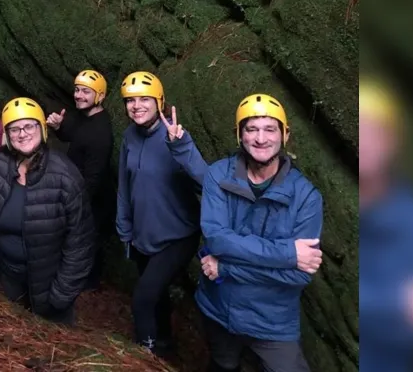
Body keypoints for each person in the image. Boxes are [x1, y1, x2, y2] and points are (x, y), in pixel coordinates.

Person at [196, 94, 323, 372]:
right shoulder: (219, 175)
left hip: (272, 321)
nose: (260, 138)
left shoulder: (306, 197)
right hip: (219, 310)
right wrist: (288, 254)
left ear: (285, 135)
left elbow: (299, 273)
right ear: (239, 135)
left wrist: (227, 267)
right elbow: (216, 239)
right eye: (251, 129)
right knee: (222, 364)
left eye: (270, 129)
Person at [0, 97, 95, 325]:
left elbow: (80, 242)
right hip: (7, 278)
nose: (22, 134)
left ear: (42, 128)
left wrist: (62, 293)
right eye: (14, 129)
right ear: (7, 135)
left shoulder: (66, 176)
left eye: (29, 126)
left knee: (52, 348)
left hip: (50, 284)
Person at [115, 71, 209, 358]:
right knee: (157, 297)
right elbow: (123, 183)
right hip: (144, 234)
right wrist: (124, 227)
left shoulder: (176, 137)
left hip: (177, 235)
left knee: (143, 298)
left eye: (145, 99)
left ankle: (144, 356)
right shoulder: (129, 136)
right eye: (131, 100)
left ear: (160, 102)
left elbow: (206, 183)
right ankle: (166, 346)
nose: (137, 105)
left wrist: (181, 146)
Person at [358, 78, 413, 372]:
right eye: (360, 131)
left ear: (392, 141)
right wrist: (397, 302)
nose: (366, 142)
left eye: (375, 133)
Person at [45, 70, 115, 290]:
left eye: (86, 91)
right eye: (77, 90)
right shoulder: (85, 118)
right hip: (81, 191)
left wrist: (75, 204)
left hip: (94, 199)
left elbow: (93, 176)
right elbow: (74, 136)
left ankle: (88, 284)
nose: (78, 95)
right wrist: (59, 127)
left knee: (87, 241)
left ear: (100, 96)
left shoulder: (101, 131)